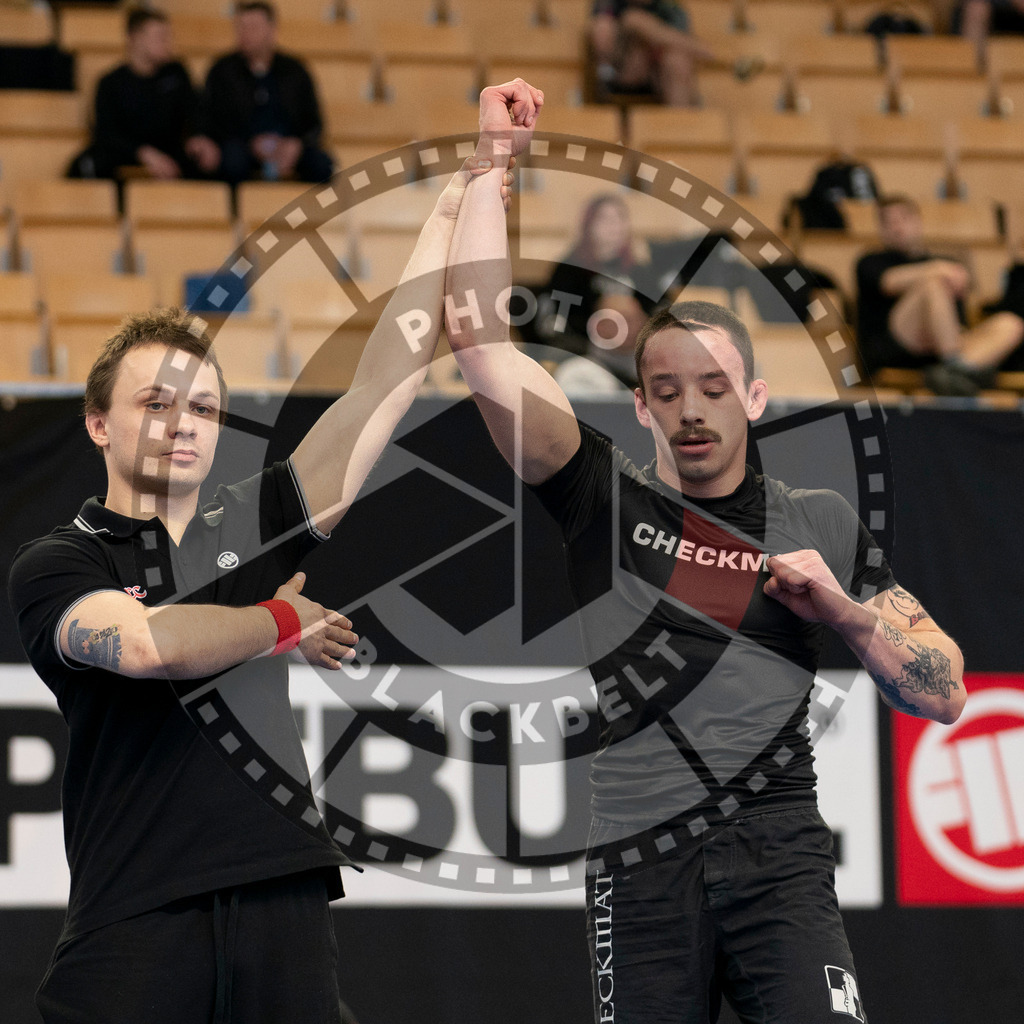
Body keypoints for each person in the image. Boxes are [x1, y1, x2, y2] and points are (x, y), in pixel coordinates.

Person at [444, 84, 966, 1023]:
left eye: (716, 387)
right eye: (669, 390)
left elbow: (944, 692)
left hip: (781, 852)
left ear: (756, 399)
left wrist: (843, 613)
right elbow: (481, 345)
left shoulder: (819, 522)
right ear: (639, 407)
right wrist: (492, 163)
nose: (693, 408)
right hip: (639, 857)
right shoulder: (600, 498)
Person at [8, 81, 523, 1023]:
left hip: (282, 896)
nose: (181, 425)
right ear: (96, 424)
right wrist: (283, 621)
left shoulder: (247, 524)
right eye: (153, 404)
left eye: (202, 407)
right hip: (136, 913)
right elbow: (149, 646)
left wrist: (467, 186)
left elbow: (382, 384)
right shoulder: (57, 563)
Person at [855, 194, 1024, 395]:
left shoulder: (945, 263)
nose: (897, 227)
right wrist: (939, 269)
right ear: (881, 229)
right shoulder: (870, 262)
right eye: (889, 222)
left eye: (903, 219)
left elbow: (957, 320)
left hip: (943, 350)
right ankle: (957, 367)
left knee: (1009, 323)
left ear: (918, 222)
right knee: (932, 285)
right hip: (897, 349)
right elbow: (889, 281)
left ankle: (956, 370)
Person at [186, 1, 333, 184]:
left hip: (287, 146)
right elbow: (210, 119)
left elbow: (312, 122)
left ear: (272, 30)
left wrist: (296, 144)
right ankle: (235, 211)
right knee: (232, 161)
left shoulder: (295, 71)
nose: (245, 33)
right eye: (241, 27)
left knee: (322, 165)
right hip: (241, 147)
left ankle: (309, 212)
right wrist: (249, 142)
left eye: (253, 27)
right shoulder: (222, 70)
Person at [535, 193, 657, 392]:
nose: (614, 225)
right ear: (589, 225)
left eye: (619, 218)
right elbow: (552, 325)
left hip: (635, 361)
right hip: (588, 359)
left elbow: (660, 318)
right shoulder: (569, 271)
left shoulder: (641, 272)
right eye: (605, 218)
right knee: (578, 379)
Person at [68, 7, 199, 181]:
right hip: (127, 153)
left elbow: (195, 112)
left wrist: (199, 137)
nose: (167, 42)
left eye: (168, 36)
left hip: (171, 151)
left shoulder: (177, 73)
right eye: (159, 37)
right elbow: (106, 134)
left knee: (209, 158)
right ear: (135, 38)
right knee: (88, 163)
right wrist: (143, 153)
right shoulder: (110, 83)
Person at [589, 0, 713, 107]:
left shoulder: (670, 9)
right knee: (634, 20)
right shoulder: (617, 6)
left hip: (659, 79)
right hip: (621, 77)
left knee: (677, 61)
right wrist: (700, 48)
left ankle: (681, 126)